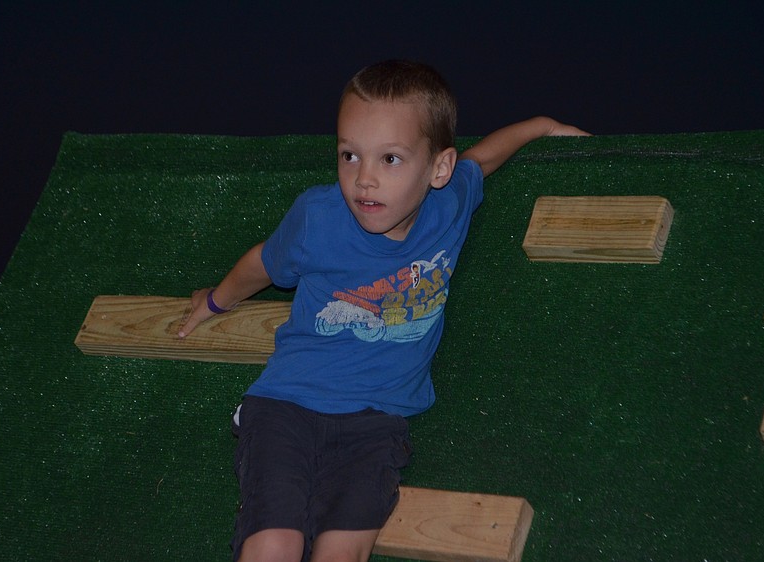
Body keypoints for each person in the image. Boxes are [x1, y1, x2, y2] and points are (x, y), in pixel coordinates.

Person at [178, 59, 589, 562]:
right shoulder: (318, 218)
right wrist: (217, 300)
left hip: (375, 422)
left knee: (341, 553)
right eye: (350, 155)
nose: (364, 179)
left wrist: (540, 127)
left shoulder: (450, 202)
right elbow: (262, 263)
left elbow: (481, 160)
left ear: (438, 169)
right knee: (273, 544)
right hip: (286, 406)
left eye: (389, 159)